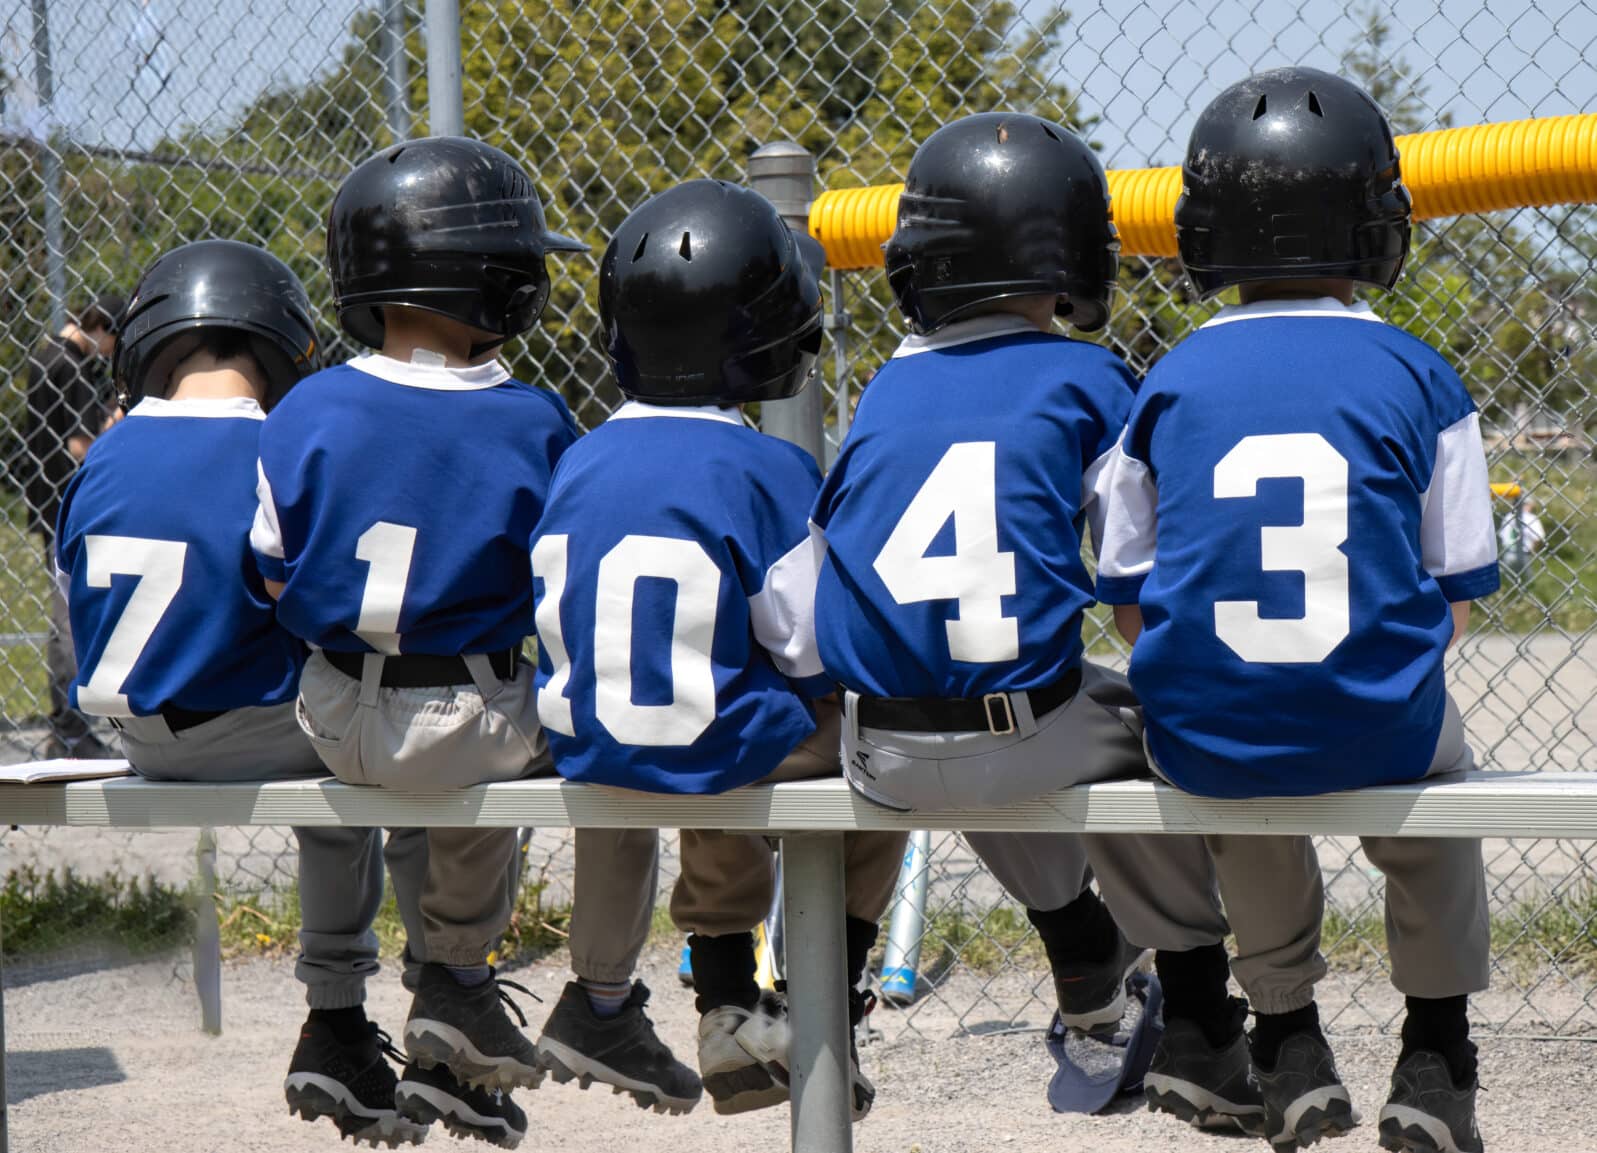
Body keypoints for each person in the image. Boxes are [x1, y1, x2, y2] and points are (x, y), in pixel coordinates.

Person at [808, 110, 1255, 1129]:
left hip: (874, 746)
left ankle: (1081, 950)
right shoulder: (1089, 377)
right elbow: (1145, 554)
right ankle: (1196, 1016)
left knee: (970, 691)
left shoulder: (885, 386)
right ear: (1068, 249)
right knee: (1133, 722)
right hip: (1017, 732)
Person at [252, 136, 700, 1142]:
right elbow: (562, 586)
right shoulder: (531, 418)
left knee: (459, 729)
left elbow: (271, 567)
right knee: (602, 750)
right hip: (466, 714)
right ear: (485, 277)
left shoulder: (305, 405)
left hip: (329, 707)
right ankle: (587, 997)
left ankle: (433, 998)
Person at [1095, 68, 1495, 1153]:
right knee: (1433, 783)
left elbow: (1129, 597)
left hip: (1214, 725)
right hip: (1377, 712)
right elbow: (1456, 593)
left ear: (1204, 228)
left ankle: (1284, 1038)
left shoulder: (1163, 381)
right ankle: (1435, 1055)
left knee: (1224, 755)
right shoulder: (1420, 372)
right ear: (1374, 219)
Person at [530, 179, 906, 1121]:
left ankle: (726, 995)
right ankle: (828, 1002)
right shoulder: (768, 467)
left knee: (720, 705)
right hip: (707, 740)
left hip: (587, 736)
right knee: (879, 739)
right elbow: (814, 647)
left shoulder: (576, 456)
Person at [54, 239, 436, 1149]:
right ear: (280, 349)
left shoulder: (99, 461)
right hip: (245, 729)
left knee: (334, 755)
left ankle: (346, 1024)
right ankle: (425, 997)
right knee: (404, 754)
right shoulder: (279, 444)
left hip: (133, 729)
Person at [24, 292, 123, 758]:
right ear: (101, 327)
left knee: (64, 612)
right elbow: (82, 445)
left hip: (47, 500)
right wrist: (117, 423)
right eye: (113, 339)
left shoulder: (43, 354)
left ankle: (67, 726)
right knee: (70, 618)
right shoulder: (74, 366)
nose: (110, 351)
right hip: (71, 503)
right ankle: (71, 727)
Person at [1497, 494, 1544, 574]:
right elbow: (1537, 537)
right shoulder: (1531, 518)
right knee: (1527, 578)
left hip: (1509, 551)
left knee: (1505, 575)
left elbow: (1502, 535)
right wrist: (1532, 550)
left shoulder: (1509, 516)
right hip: (1524, 553)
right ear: (1528, 505)